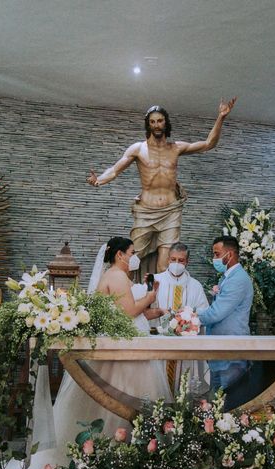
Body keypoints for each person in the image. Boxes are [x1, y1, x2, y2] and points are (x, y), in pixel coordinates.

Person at [0, 237, 172, 469]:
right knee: (118, 400)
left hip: (125, 348)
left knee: (111, 403)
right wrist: (150, 297)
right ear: (120, 255)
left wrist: (156, 311)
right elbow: (130, 311)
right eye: (132, 252)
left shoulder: (116, 276)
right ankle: (117, 452)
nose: (135, 257)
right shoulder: (117, 276)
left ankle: (111, 453)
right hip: (123, 355)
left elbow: (127, 315)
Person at [87, 98, 237, 273]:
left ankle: (158, 301)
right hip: (146, 211)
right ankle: (125, 298)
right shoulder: (138, 149)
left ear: (166, 122)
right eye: (152, 122)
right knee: (131, 260)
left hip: (171, 211)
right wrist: (100, 180)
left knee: (165, 264)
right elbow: (114, 169)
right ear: (148, 125)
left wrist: (221, 117)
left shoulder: (176, 147)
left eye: (160, 121)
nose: (156, 125)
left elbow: (208, 143)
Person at [198, 235, 254, 410]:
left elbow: (216, 313)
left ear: (229, 255)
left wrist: (191, 316)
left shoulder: (238, 279)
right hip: (220, 351)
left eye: (216, 254)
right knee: (216, 405)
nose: (214, 259)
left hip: (231, 350)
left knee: (231, 406)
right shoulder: (227, 278)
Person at [153, 242, 209, 393]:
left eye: (181, 260)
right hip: (160, 343)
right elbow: (146, 310)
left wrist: (190, 320)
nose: (176, 263)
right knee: (159, 387)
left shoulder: (196, 286)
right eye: (173, 259)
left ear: (187, 262)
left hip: (186, 347)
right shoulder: (156, 281)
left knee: (184, 387)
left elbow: (204, 313)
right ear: (168, 259)